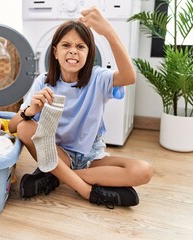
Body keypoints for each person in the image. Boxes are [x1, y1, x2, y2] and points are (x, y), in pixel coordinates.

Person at [8, 6, 153, 209]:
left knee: (143, 170)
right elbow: (13, 127)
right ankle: (87, 190)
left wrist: (108, 32)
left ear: (89, 54)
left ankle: (56, 177)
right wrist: (30, 111)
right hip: (58, 155)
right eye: (66, 45)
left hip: (91, 158)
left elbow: (129, 77)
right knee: (25, 127)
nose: (73, 50)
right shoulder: (44, 82)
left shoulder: (98, 78)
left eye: (81, 46)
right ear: (55, 52)